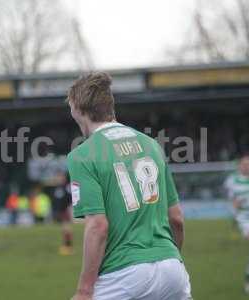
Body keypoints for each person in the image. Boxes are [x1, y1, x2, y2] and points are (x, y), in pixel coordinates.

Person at [66, 72, 192, 300]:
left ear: (79, 109)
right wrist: (169, 259)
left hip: (123, 275)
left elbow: (98, 227)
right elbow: (176, 219)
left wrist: (84, 290)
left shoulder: (82, 156)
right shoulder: (152, 146)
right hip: (172, 268)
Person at [224, 155, 249, 294]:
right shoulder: (233, 181)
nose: (246, 167)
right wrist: (235, 210)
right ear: (239, 166)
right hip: (245, 218)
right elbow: (232, 200)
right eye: (244, 164)